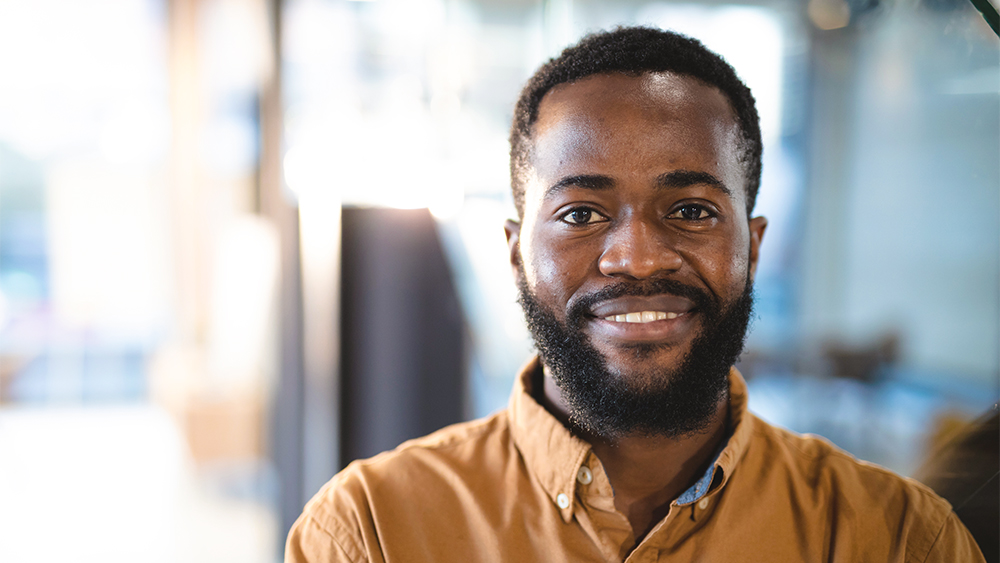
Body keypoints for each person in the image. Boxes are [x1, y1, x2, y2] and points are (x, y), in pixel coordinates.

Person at [285, 27, 985, 562]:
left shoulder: (893, 536)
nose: (638, 257)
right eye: (581, 214)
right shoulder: (370, 529)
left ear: (755, 244)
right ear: (514, 251)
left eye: (691, 211)